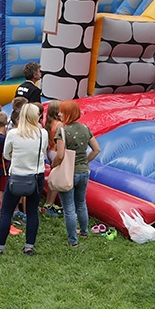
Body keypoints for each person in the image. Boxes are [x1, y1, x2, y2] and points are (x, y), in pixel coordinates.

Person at [0, 103, 49, 258]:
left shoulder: (13, 134)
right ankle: (28, 247)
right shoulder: (42, 134)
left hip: (17, 176)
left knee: (6, 212)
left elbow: (6, 154)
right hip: (36, 176)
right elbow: (43, 152)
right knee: (32, 212)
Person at [54, 100, 101, 246]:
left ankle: (72, 240)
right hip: (84, 171)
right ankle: (84, 232)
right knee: (81, 203)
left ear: (67, 113)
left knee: (69, 208)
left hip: (68, 173)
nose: (59, 114)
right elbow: (96, 149)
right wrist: (85, 161)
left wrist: (54, 166)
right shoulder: (85, 128)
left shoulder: (62, 131)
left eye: (62, 111)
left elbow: (60, 155)